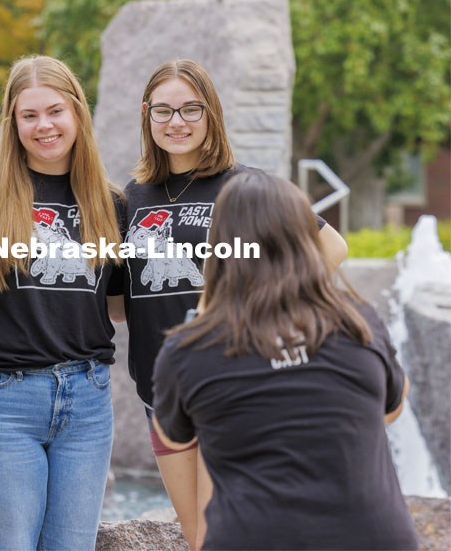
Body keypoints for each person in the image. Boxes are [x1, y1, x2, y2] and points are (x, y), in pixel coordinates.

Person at [116, 59, 348, 550]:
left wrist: (262, 311)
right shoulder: (130, 198)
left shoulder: (245, 186)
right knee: (198, 536)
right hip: (160, 390)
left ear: (210, 114)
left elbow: (331, 248)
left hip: (233, 382)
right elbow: (126, 298)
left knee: (228, 535)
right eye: (163, 110)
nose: (176, 121)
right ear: (146, 116)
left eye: (189, 109)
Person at [152, 171, 418, 550]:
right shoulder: (357, 320)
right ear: (304, 240)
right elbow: (391, 408)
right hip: (372, 537)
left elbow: (174, 434)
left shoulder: (188, 351)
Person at [0, 55, 124, 550]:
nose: (44, 125)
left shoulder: (111, 202)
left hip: (87, 398)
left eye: (56, 111)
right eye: (29, 115)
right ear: (13, 123)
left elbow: (118, 302)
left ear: (78, 114)